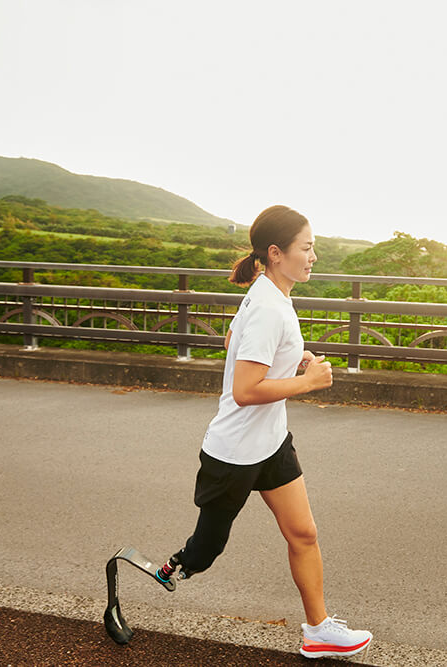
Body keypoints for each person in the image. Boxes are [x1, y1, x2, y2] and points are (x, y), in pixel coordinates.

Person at [156, 205, 372, 659]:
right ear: (276, 253)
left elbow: (234, 344)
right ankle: (170, 569)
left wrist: (296, 360)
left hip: (271, 444)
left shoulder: (269, 292)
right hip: (234, 454)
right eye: (307, 248)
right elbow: (244, 389)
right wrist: (308, 382)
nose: (315, 256)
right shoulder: (269, 308)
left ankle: (318, 629)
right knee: (204, 551)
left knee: (304, 534)